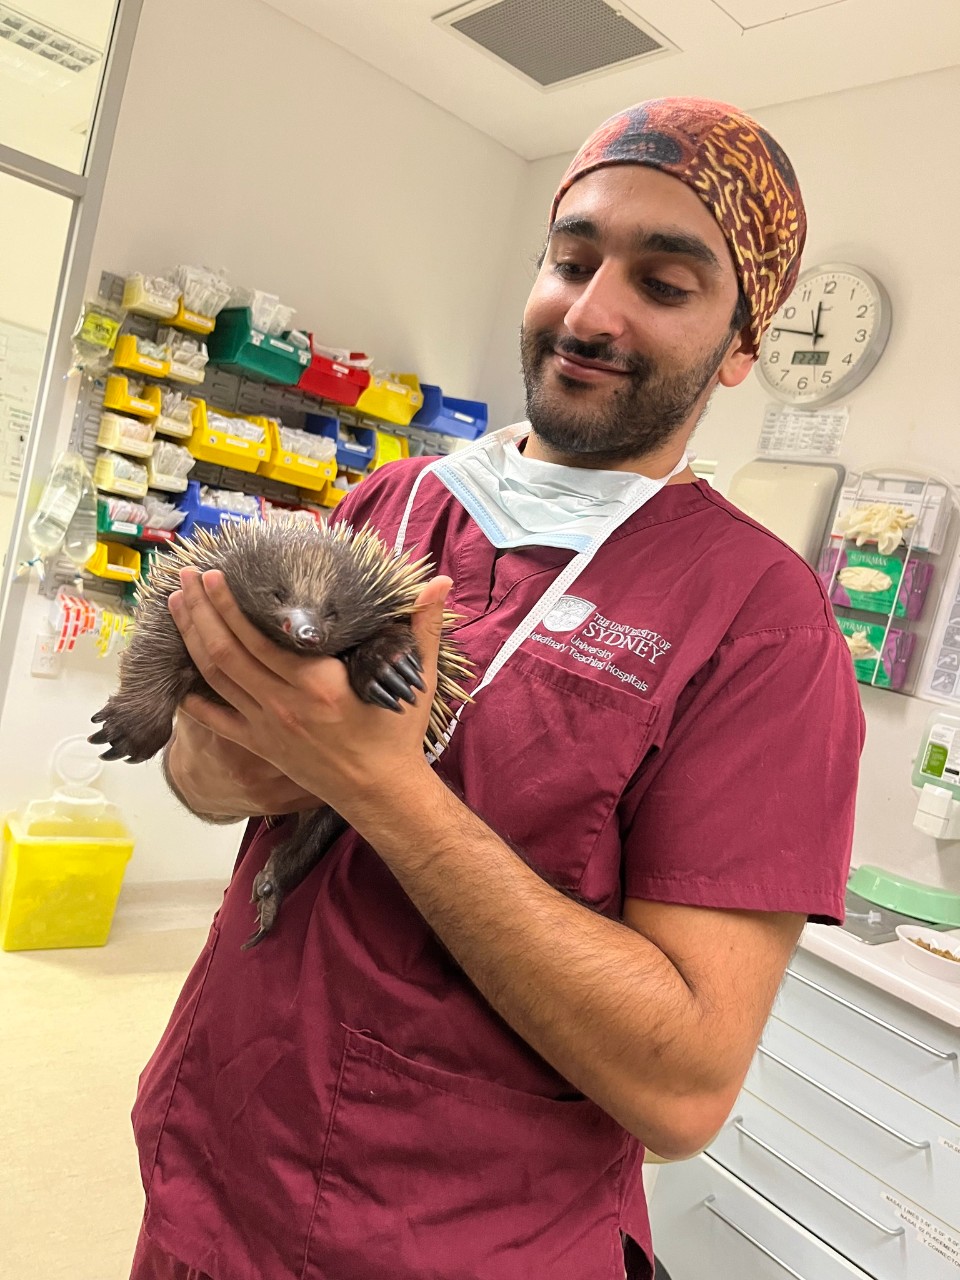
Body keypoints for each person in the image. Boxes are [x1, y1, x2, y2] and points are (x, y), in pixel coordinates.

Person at [129, 97, 863, 1280]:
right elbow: (212, 788)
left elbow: (683, 1087)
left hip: (457, 1239)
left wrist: (381, 789)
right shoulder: (393, 500)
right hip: (213, 1167)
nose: (592, 311)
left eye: (665, 285)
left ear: (740, 346)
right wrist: (226, 753)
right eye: (572, 260)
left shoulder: (763, 628)